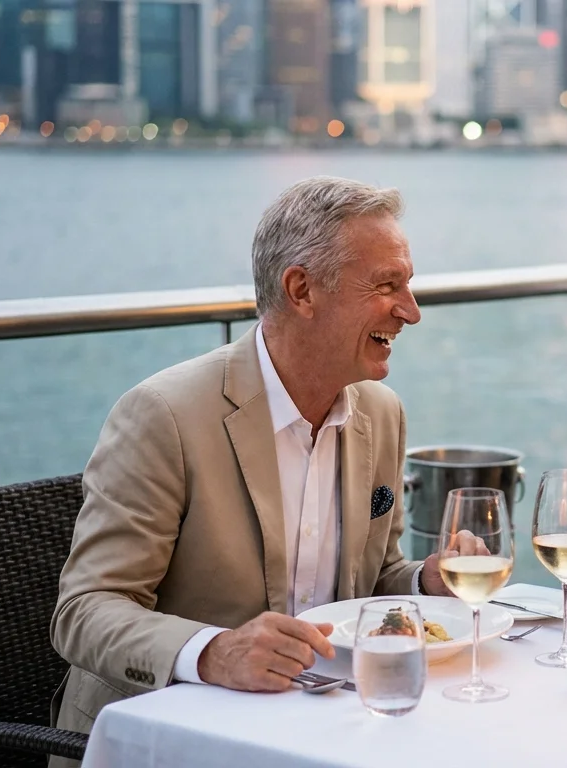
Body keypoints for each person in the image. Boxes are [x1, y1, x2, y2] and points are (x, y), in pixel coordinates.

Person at [49, 176, 478, 749]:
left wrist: (429, 581)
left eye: (409, 285)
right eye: (386, 285)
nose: (411, 312)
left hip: (319, 726)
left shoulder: (382, 413)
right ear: (301, 291)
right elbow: (84, 611)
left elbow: (372, 581)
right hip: (169, 738)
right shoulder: (164, 416)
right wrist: (212, 652)